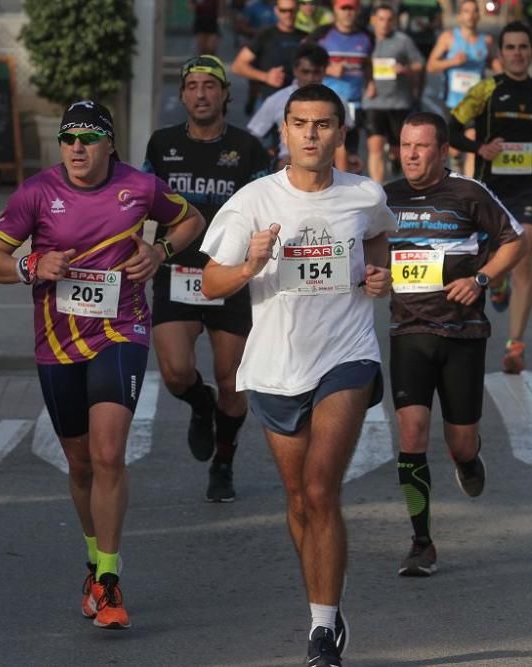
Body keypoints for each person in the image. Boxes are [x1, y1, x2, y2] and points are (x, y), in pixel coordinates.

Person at [0, 100, 205, 630]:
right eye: (68, 138)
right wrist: (30, 264)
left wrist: (161, 251)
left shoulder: (140, 187)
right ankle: (93, 560)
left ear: (110, 145)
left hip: (121, 331)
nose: (77, 148)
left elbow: (191, 218)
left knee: (107, 454)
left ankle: (109, 579)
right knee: (78, 464)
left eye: (88, 138)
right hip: (56, 342)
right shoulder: (36, 193)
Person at [201, 84, 395, 667]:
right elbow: (212, 283)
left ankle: (323, 628)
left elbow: (381, 234)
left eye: (324, 123)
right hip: (276, 366)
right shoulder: (254, 200)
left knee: (319, 489)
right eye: (300, 123)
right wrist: (251, 265)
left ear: (341, 132)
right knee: (298, 500)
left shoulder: (364, 194)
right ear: (282, 131)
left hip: (347, 355)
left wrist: (378, 273)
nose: (311, 134)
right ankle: (321, 604)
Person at [384, 112, 524, 576]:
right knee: (411, 435)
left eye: (421, 147)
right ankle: (421, 541)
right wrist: (372, 274)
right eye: (405, 146)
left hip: (463, 332)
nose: (411, 155)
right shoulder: (386, 197)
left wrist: (482, 278)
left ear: (442, 151)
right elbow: (367, 250)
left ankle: (468, 456)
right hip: (410, 330)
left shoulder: (468, 194)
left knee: (459, 442)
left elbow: (513, 242)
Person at [143, 56, 270, 502]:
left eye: (209, 86)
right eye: (192, 86)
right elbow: (138, 204)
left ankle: (223, 463)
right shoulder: (161, 145)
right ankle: (201, 404)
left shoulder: (249, 147)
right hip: (175, 269)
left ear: (224, 94)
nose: (200, 94)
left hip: (229, 274)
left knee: (232, 381)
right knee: (177, 373)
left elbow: (268, 210)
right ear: (181, 95)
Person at [448, 21, 532, 374]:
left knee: (525, 245)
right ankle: (496, 280)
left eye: (523, 47)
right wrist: (480, 147)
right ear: (500, 55)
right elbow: (452, 128)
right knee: (495, 257)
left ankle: (516, 344)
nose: (518, 53)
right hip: (491, 190)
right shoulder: (485, 90)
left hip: (528, 188)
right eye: (511, 47)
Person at [248, 43, 355, 169]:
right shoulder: (277, 100)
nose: (310, 78)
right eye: (305, 72)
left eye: (316, 72)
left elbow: (349, 135)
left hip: (328, 162)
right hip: (288, 163)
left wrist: (352, 155)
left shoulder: (338, 101)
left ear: (325, 71)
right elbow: (253, 136)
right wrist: (269, 160)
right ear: (295, 70)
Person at [426, 0, 497, 175]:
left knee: (473, 142)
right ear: (460, 16)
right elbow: (431, 65)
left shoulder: (486, 41)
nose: (470, 15)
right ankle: (456, 163)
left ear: (478, 16)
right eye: (466, 11)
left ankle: (468, 184)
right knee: (455, 146)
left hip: (476, 103)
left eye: (474, 11)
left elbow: (496, 65)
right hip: (453, 102)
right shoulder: (448, 38)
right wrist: (453, 62)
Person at [306, 0, 373, 172]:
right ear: (335, 10)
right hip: (327, 102)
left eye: (352, 8)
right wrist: (328, 68)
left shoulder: (366, 37)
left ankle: (345, 191)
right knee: (325, 151)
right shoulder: (322, 34)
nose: (348, 13)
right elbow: (303, 61)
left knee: (350, 155)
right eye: (344, 8)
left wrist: (371, 82)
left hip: (354, 104)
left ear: (358, 10)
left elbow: (369, 64)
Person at [363, 4, 425, 184]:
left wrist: (405, 69)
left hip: (399, 102)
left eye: (389, 20)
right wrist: (368, 82)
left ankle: (395, 158)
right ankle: (378, 188)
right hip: (373, 102)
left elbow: (419, 64)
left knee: (398, 149)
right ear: (373, 20)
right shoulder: (365, 40)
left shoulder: (403, 40)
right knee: (375, 146)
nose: (385, 23)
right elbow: (360, 65)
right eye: (381, 19)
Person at [232, 0, 307, 116]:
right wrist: (266, 77)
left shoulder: (306, 38)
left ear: (298, 10)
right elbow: (238, 66)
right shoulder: (265, 35)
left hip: (299, 105)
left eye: (292, 10)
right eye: (284, 10)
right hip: (268, 102)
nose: (288, 14)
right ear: (276, 11)